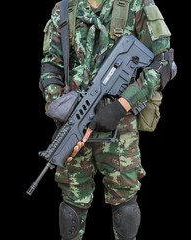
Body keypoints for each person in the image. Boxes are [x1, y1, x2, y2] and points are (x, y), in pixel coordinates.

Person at [39, 0, 175, 239]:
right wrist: (61, 111)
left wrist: (121, 105)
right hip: (76, 119)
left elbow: (163, 62)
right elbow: (50, 67)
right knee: (72, 203)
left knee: (125, 203)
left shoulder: (138, 5)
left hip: (120, 124)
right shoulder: (63, 9)